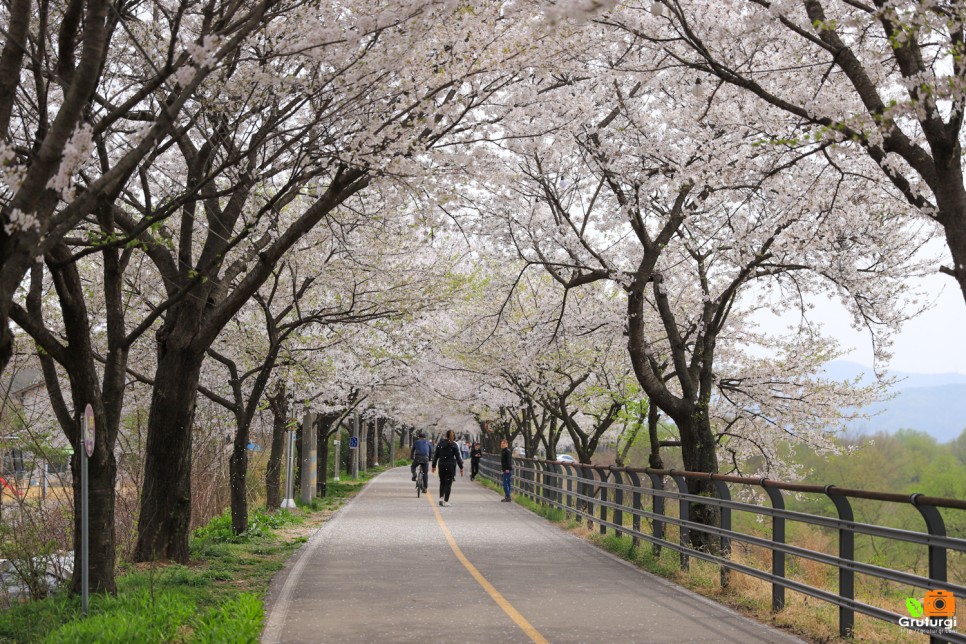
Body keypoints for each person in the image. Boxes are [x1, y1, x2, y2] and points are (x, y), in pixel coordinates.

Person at [432, 429, 464, 506]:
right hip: (450, 466)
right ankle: (446, 501)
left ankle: (441, 498)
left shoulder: (440, 444)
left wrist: (433, 466)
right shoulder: (454, 445)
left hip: (441, 465)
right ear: (453, 437)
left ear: (446, 435)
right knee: (448, 483)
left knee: (442, 482)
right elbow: (458, 458)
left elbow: (436, 456)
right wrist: (461, 468)